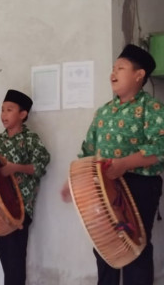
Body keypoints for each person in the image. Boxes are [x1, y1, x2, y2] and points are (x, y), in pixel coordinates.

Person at [61, 44, 164, 285]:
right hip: (104, 186)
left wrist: (125, 164)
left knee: (135, 246)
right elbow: (87, 151)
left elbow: (161, 146)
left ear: (139, 75)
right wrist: (73, 183)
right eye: (112, 68)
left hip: (140, 185)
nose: (113, 73)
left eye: (121, 68)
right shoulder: (104, 112)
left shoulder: (151, 108)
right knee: (105, 244)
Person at [0, 89, 50, 285]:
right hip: (1, 209)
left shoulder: (31, 139)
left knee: (16, 259)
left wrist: (15, 168)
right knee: (6, 258)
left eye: (9, 110)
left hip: (22, 209)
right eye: (2, 110)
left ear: (22, 114)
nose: (3, 115)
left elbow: (41, 166)